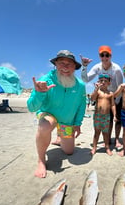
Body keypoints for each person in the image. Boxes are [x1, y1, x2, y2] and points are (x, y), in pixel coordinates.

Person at [27, 50, 86, 178]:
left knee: (69, 152)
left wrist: (77, 123)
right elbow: (31, 107)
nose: (65, 67)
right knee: (46, 125)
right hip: (48, 114)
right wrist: (39, 93)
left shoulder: (80, 85)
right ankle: (41, 160)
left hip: (67, 120)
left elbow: (82, 106)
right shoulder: (46, 80)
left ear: (75, 67)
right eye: (61, 63)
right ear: (56, 65)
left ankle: (60, 136)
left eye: (69, 64)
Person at [80, 46, 123, 148]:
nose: (104, 57)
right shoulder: (97, 67)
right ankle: (107, 140)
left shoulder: (116, 69)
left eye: (107, 55)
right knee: (108, 120)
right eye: (102, 55)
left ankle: (117, 139)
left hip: (116, 95)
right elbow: (86, 79)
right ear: (99, 56)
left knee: (117, 119)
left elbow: (120, 86)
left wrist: (115, 101)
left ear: (110, 56)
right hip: (103, 95)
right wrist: (84, 66)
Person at [91, 74, 116, 156]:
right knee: (97, 133)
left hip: (107, 116)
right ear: (99, 82)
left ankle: (107, 148)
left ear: (109, 83)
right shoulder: (98, 92)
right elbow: (92, 98)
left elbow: (112, 105)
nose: (103, 82)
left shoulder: (111, 94)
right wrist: (96, 89)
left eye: (105, 81)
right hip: (98, 115)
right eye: (101, 80)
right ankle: (94, 148)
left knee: (106, 133)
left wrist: (115, 115)